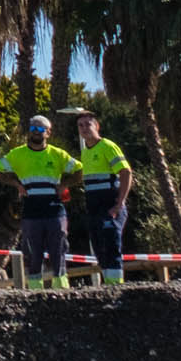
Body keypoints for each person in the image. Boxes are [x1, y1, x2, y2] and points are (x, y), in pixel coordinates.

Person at [0, 113, 78, 287]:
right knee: (33, 251)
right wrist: (15, 184)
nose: (36, 132)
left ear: (48, 132)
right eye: (33, 128)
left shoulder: (58, 154)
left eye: (40, 129)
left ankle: (62, 287)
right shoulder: (17, 154)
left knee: (58, 248)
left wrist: (65, 184)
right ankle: (35, 290)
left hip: (54, 208)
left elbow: (80, 171)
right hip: (31, 210)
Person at [67, 117, 136, 285]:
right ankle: (108, 283)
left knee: (110, 238)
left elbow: (126, 172)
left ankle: (116, 284)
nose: (84, 128)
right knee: (98, 244)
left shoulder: (107, 146)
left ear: (97, 126)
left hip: (110, 203)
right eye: (80, 125)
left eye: (87, 124)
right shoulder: (86, 151)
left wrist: (119, 204)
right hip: (93, 206)